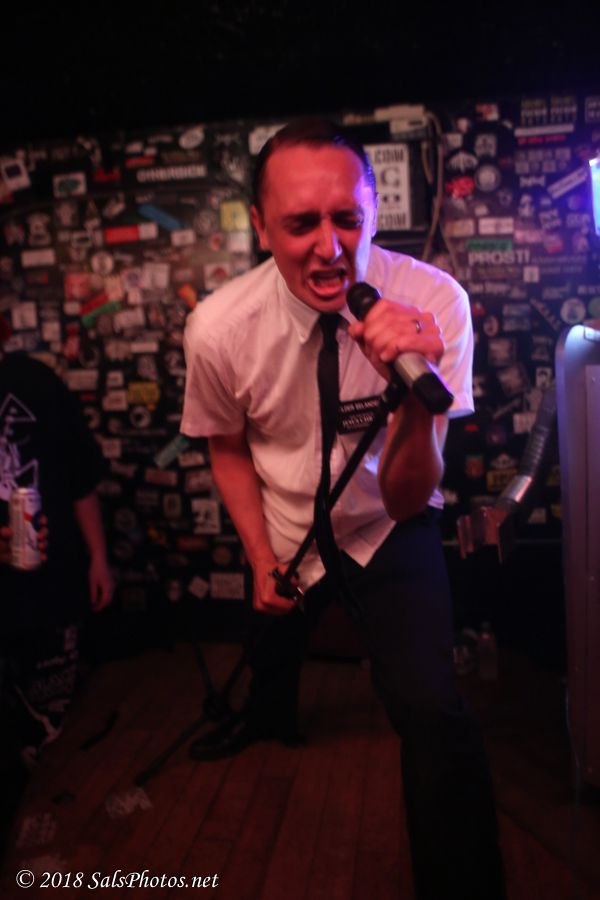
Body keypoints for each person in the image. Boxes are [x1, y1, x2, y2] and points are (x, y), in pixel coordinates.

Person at [181, 119, 505, 899]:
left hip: (387, 524)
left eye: (347, 219)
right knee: (273, 645)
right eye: (301, 223)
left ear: (374, 214)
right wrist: (259, 556)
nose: (330, 248)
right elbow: (227, 447)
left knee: (432, 712)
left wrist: (414, 393)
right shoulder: (220, 328)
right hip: (287, 525)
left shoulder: (435, 302)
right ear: (261, 226)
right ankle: (266, 717)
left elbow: (407, 494)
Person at [0, 313, 114, 857]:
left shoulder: (37, 382)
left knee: (46, 722)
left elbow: (79, 478)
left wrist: (99, 557)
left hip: (53, 585)